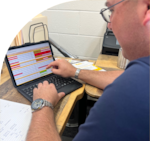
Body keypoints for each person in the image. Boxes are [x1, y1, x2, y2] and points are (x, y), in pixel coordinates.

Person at [26, 0, 150, 140]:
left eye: (112, 11)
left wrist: (42, 103)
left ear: (146, 9)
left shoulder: (132, 90)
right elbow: (123, 78)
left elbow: (129, 83)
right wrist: (75, 72)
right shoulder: (139, 77)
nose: (109, 25)